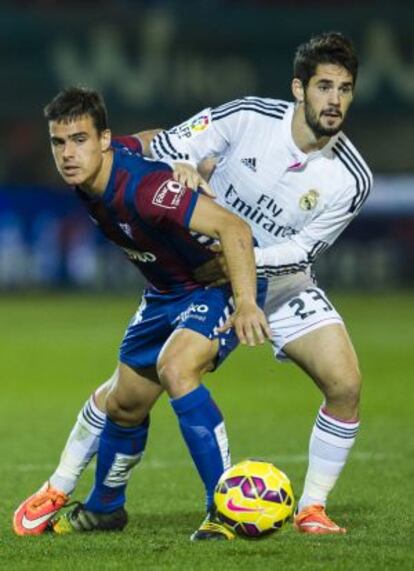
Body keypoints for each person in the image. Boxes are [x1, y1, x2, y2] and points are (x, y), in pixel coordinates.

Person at [13, 87, 270, 540]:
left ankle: (227, 509)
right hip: (165, 293)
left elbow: (234, 228)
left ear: (103, 139)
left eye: (79, 140)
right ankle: (106, 508)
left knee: (177, 368)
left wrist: (246, 302)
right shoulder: (101, 167)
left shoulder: (147, 190)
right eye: (59, 142)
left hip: (215, 284)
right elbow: (150, 139)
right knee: (125, 402)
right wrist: (177, 153)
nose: (69, 153)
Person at [148, 31, 373, 535]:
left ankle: (311, 508)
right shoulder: (250, 116)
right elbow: (168, 144)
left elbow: (304, 250)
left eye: (344, 89)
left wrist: (242, 260)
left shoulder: (352, 177)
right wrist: (179, 164)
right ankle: (208, 497)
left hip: (286, 283)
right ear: (299, 89)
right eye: (323, 87)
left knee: (346, 384)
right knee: (154, 381)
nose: (334, 100)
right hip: (209, 280)